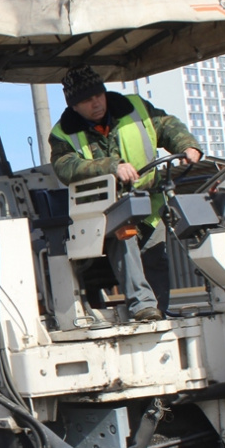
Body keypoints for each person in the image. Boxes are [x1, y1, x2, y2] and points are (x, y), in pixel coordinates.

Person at [49, 65, 203, 321]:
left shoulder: (135, 108)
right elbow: (65, 167)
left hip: (149, 201)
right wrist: (111, 167)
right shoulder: (62, 133)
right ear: (74, 106)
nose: (96, 103)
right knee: (125, 239)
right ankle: (142, 305)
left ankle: (158, 312)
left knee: (156, 256)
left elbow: (166, 125)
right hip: (104, 208)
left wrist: (187, 146)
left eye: (98, 95)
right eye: (87, 100)